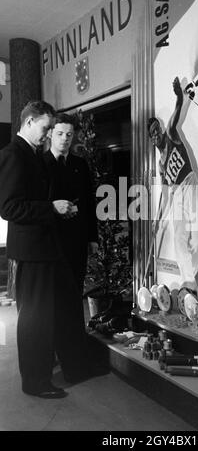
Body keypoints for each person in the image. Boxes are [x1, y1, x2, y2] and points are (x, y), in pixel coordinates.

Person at [0, 100, 80, 398]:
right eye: (46, 128)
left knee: (44, 317)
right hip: (32, 252)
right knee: (34, 320)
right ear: (29, 121)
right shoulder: (13, 155)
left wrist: (58, 210)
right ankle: (34, 383)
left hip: (43, 249)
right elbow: (9, 208)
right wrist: (52, 208)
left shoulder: (29, 154)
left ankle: (42, 375)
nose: (49, 135)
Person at [148, 77, 198, 288]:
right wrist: (157, 218)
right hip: (178, 194)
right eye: (152, 133)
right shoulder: (160, 164)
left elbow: (178, 108)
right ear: (150, 138)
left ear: (161, 129)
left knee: (196, 238)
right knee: (179, 238)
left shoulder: (171, 134)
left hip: (191, 183)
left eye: (156, 129)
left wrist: (180, 95)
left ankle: (191, 279)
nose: (155, 134)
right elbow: (165, 193)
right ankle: (188, 283)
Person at [44, 113, 98, 296]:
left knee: (75, 289)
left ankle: (74, 326)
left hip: (77, 238)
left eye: (69, 135)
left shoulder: (80, 164)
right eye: (60, 134)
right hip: (50, 239)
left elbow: (89, 202)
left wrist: (93, 238)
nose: (65, 139)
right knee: (53, 293)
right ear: (50, 133)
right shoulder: (39, 164)